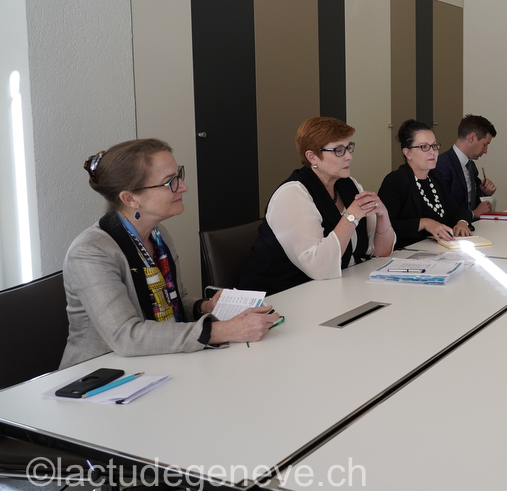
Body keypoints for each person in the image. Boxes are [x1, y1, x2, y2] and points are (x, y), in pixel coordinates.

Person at [62, 139, 278, 369]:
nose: (182, 186)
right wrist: (225, 330)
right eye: (169, 182)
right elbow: (126, 336)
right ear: (130, 199)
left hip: (159, 363)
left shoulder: (158, 233)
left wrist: (205, 307)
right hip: (100, 378)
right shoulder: (90, 252)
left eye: (178, 175)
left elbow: (175, 299)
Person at [240, 117, 395, 295]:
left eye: (348, 147)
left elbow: (381, 252)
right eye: (338, 150)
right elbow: (319, 267)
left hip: (334, 288)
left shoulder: (349, 184)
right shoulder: (293, 194)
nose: (349, 156)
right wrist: (351, 216)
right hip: (280, 295)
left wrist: (383, 216)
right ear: (312, 156)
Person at [378, 120, 473, 249]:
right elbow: (385, 227)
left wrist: (462, 222)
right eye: (424, 147)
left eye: (434, 146)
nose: (432, 152)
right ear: (407, 153)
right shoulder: (395, 181)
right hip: (406, 255)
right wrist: (424, 223)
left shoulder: (435, 177)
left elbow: (455, 211)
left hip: (439, 251)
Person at [435, 114, 498, 222]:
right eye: (485, 144)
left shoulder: (470, 165)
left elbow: (471, 199)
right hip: (453, 230)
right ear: (472, 137)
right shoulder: (441, 165)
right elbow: (443, 208)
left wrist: (484, 192)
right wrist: (473, 214)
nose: (485, 151)